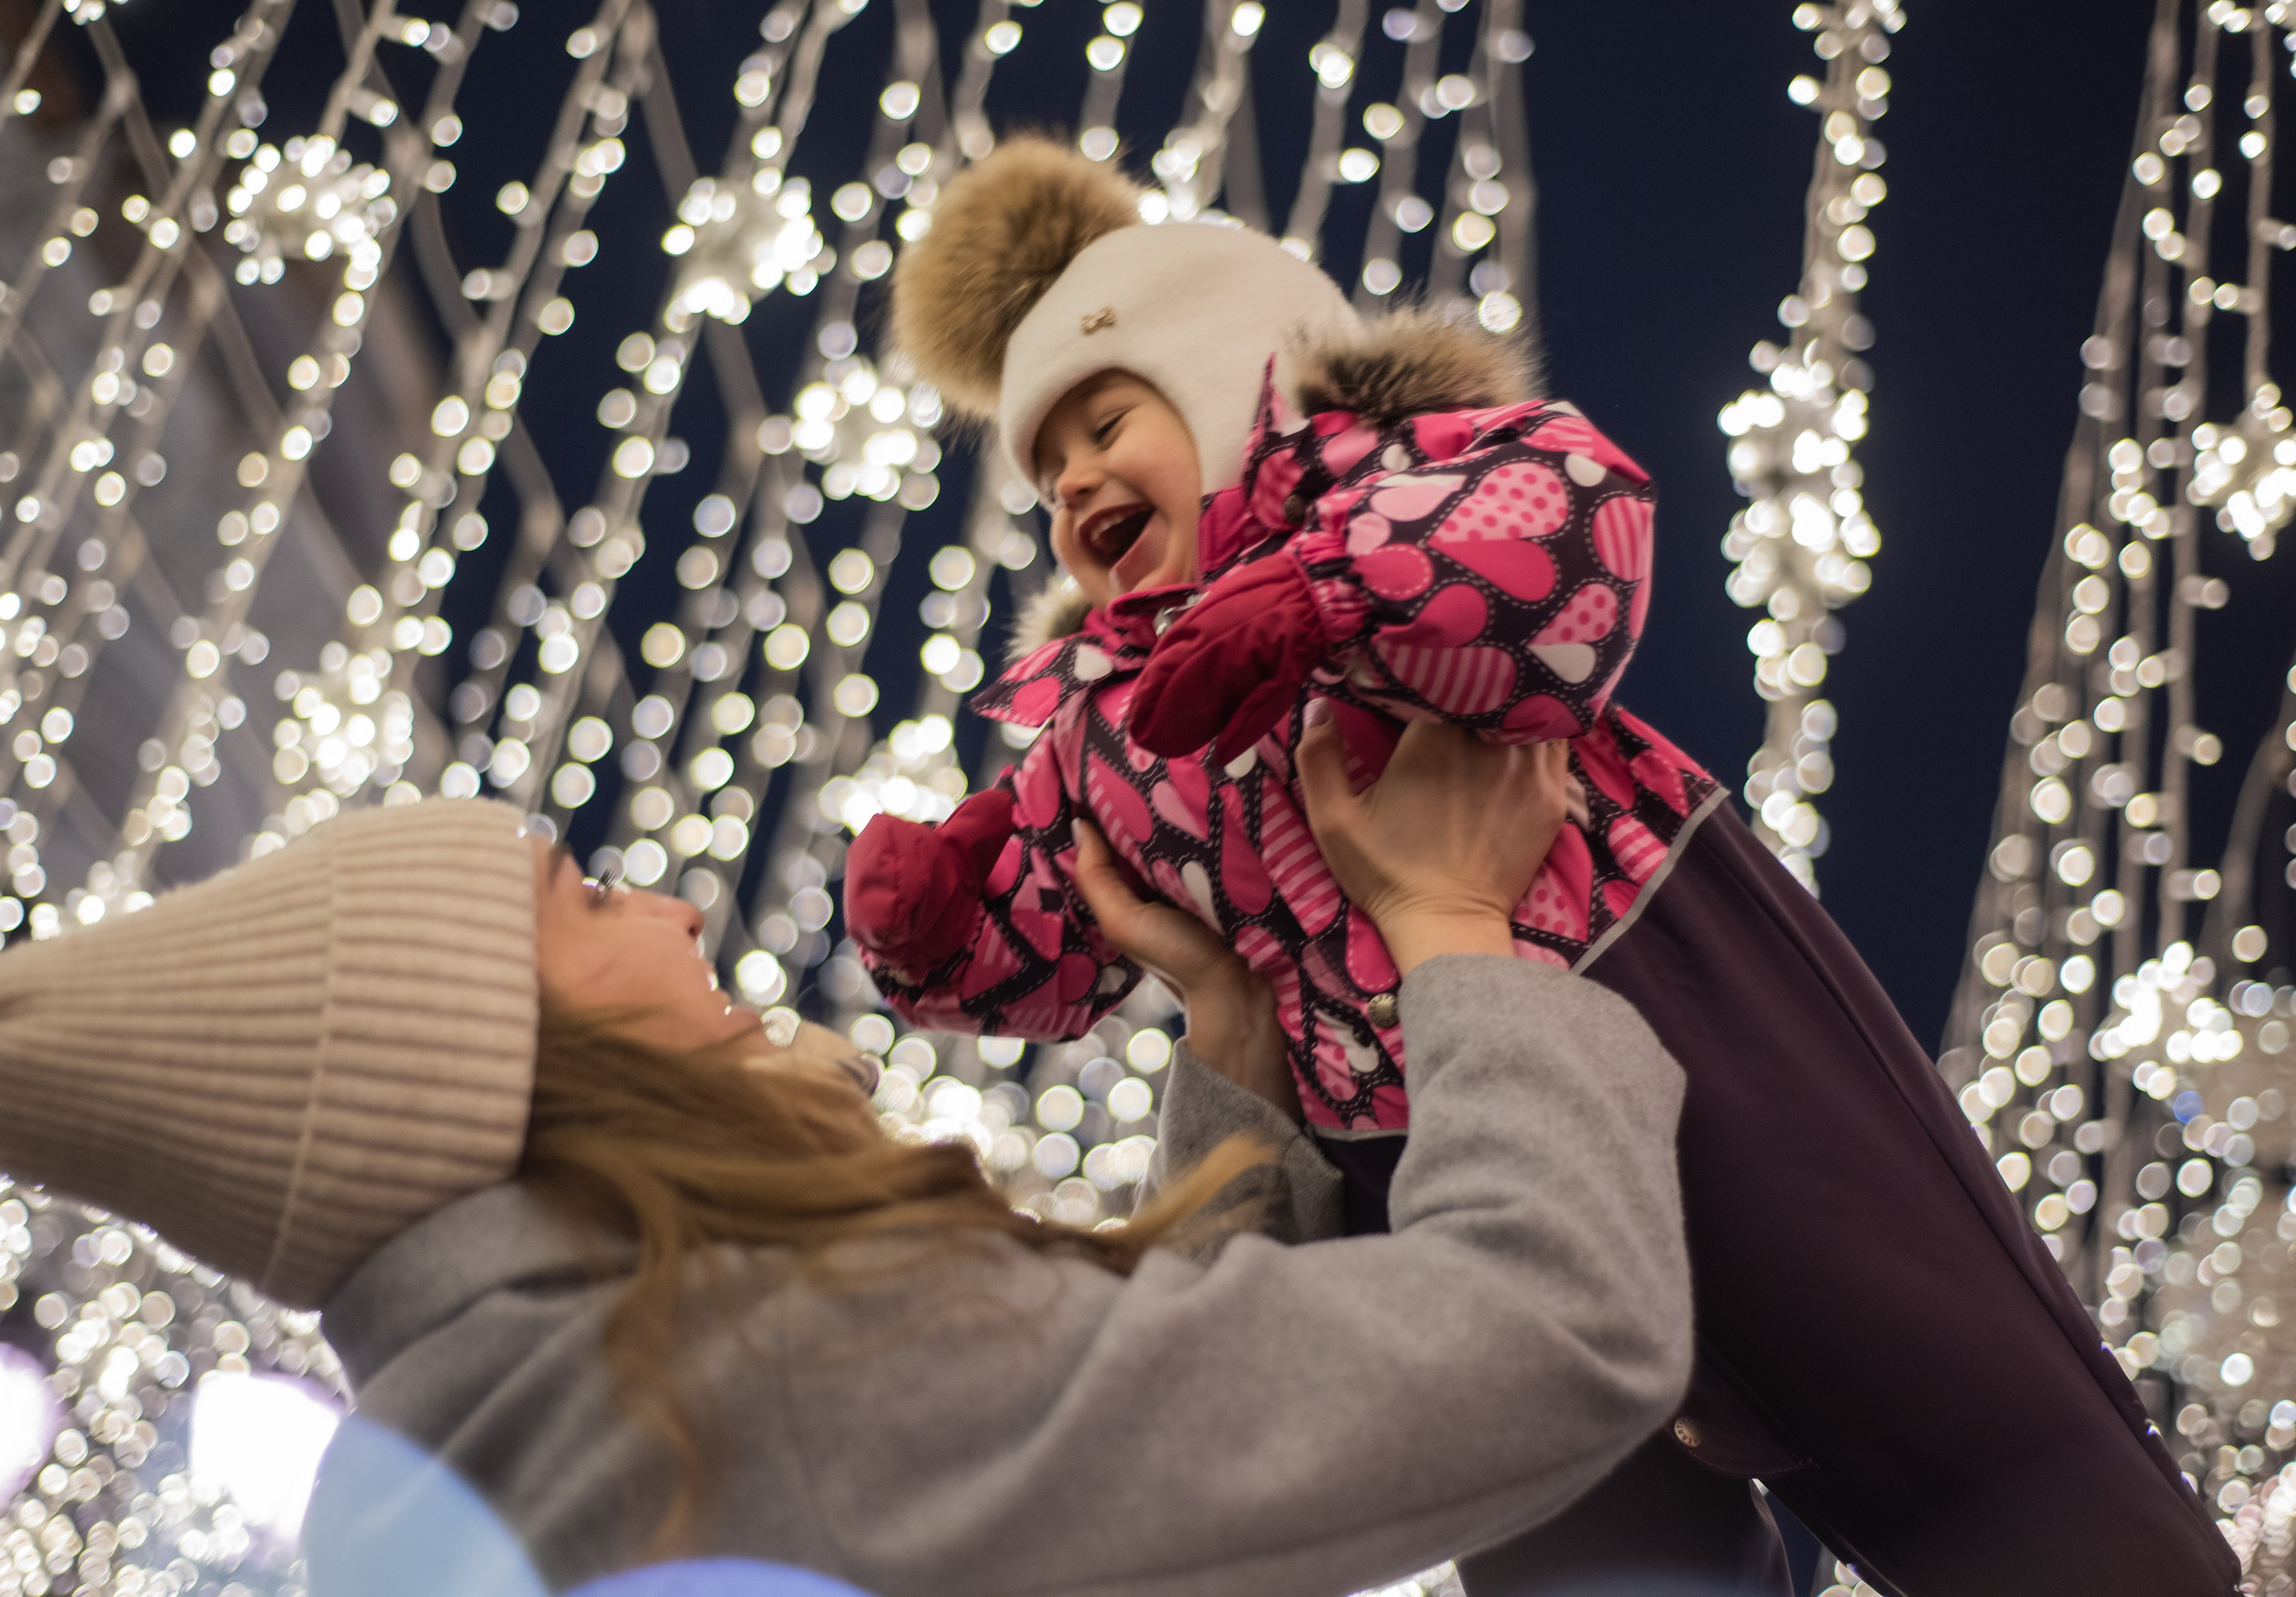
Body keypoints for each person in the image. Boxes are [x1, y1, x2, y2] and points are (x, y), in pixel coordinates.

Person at [840, 136, 2237, 1596]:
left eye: (1105, 422)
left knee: (1946, 1404)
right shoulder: (1112, 719)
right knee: (1578, 1541)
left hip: (1669, 1000)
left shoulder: (1396, 480)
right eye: (1043, 467)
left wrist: (1318, 597)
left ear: (1233, 380)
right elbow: (1064, 902)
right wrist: (942, 922)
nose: (1071, 483)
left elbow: (1563, 538)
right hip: (1428, 1150)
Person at [0, 724, 1702, 1596]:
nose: (677, 899)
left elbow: (1109, 1461)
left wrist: (1232, 1044)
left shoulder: (515, 1433)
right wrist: (1463, 926)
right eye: (587, 900)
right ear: (507, 1052)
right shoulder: (742, 1379)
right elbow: (1549, 1328)